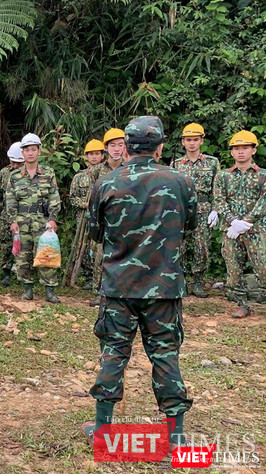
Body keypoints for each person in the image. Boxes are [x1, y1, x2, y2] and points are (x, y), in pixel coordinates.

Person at [82, 115, 195, 451]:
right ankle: (175, 436)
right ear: (160, 147)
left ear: (126, 147)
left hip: (119, 287)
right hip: (164, 287)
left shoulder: (106, 183)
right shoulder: (180, 181)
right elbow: (189, 225)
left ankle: (103, 431)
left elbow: (95, 233)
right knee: (165, 356)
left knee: (114, 353)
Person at [5, 133, 62, 303]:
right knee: (23, 257)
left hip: (42, 222)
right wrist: (12, 221)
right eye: (27, 150)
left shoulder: (48, 173)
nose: (30, 153)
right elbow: (10, 199)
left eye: (33, 149)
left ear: (39, 152)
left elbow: (54, 196)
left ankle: (49, 290)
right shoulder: (14, 176)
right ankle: (27, 289)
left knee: (46, 254)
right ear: (22, 153)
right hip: (21, 222)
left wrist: (53, 218)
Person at [214, 130, 265, 318]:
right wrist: (233, 221)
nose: (241, 152)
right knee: (234, 269)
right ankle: (242, 304)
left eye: (245, 148)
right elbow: (219, 200)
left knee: (263, 267)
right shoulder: (223, 176)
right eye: (236, 148)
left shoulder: (263, 175)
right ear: (232, 152)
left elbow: (264, 201)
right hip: (231, 230)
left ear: (253, 150)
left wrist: (247, 221)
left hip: (257, 230)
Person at [171, 123, 220, 298]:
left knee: (202, 247)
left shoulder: (212, 162)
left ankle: (198, 280)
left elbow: (217, 188)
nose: (192, 143)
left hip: (203, 208)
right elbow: (172, 190)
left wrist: (216, 210)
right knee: (179, 246)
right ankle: (181, 280)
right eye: (188, 140)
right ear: (183, 142)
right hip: (182, 210)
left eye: (195, 140)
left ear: (201, 141)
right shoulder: (176, 163)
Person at [86, 128, 126, 306]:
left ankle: (122, 291)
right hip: (105, 219)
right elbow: (92, 197)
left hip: (125, 220)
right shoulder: (97, 170)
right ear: (106, 148)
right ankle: (99, 292)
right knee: (100, 256)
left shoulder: (130, 168)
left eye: (120, 145)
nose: (116, 149)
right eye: (112, 145)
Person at [66, 139, 105, 287]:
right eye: (91, 154)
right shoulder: (79, 177)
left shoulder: (107, 174)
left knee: (98, 246)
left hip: (101, 217)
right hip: (83, 216)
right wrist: (85, 204)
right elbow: (72, 198)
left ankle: (99, 276)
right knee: (83, 244)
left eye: (97, 154)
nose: (94, 157)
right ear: (86, 157)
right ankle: (87, 276)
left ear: (102, 155)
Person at [0, 142, 24, 286]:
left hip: (24, 216)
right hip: (6, 216)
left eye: (19, 163)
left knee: (24, 244)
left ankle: (23, 273)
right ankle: (6, 273)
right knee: (6, 244)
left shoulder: (29, 173)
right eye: (14, 162)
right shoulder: (4, 173)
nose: (16, 166)